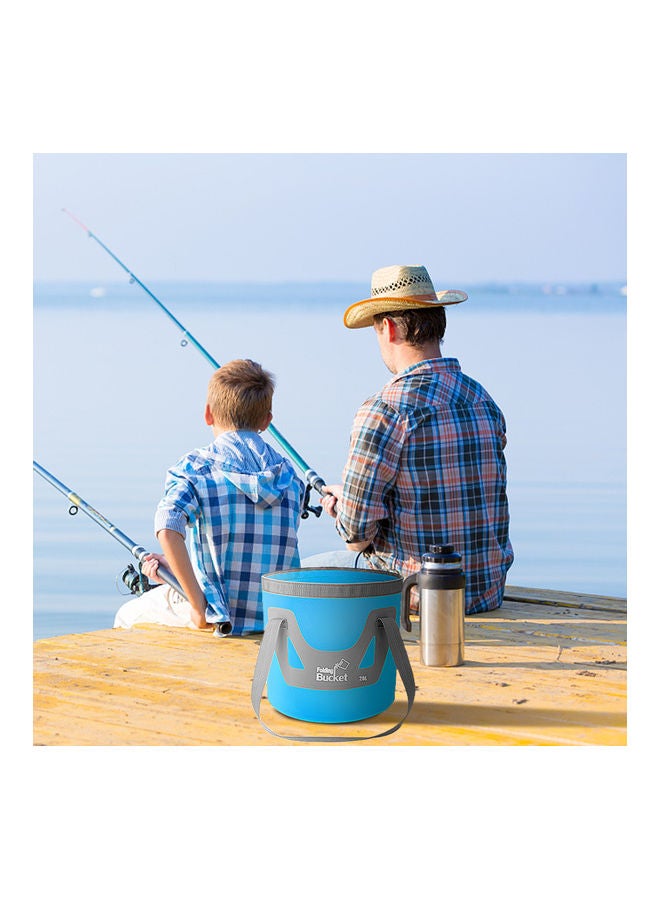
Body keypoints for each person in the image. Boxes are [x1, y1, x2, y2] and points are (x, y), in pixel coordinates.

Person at [320, 264, 513, 615]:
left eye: (376, 330)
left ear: (389, 328)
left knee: (302, 569)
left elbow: (356, 537)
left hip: (418, 600)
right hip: (485, 592)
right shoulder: (482, 400)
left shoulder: (383, 411)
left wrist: (344, 508)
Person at [114, 359, 304, 634]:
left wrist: (196, 605)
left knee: (126, 615)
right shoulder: (290, 478)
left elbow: (167, 528)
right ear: (266, 421)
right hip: (278, 618)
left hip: (219, 616)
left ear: (208, 414)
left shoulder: (196, 469)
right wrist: (177, 567)